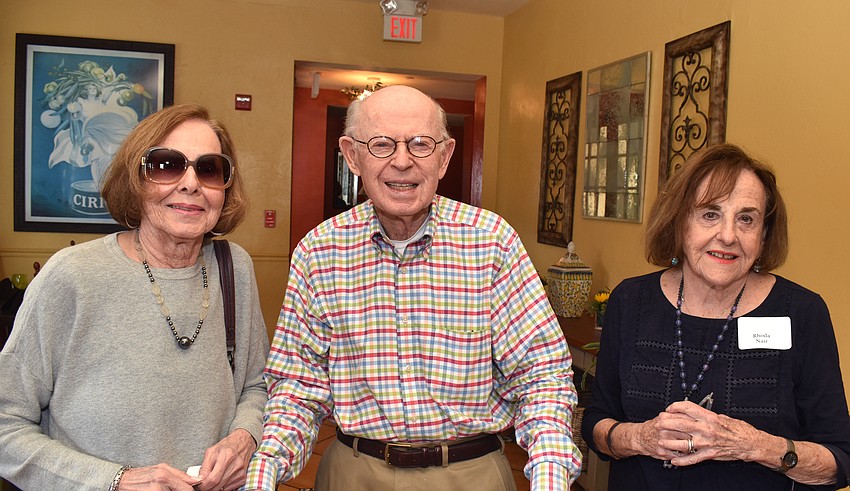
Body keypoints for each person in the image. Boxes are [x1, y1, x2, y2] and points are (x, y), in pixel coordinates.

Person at [244, 85, 581, 491]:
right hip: (354, 473)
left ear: (444, 157)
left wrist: (549, 476)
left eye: (421, 144)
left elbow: (541, 376)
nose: (402, 162)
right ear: (352, 156)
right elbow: (298, 387)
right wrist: (264, 472)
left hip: (471, 473)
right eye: (381, 144)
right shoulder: (319, 252)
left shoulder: (493, 242)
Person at [0, 104, 270, 491]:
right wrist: (114, 482)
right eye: (167, 165)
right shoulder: (72, 276)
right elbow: (6, 427)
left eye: (209, 169)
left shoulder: (235, 268)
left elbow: (256, 386)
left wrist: (244, 439)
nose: (191, 183)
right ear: (135, 179)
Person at [582, 143, 850, 490]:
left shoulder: (802, 313)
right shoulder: (630, 301)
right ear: (678, 222)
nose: (727, 236)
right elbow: (596, 422)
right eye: (710, 214)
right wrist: (640, 438)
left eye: (746, 219)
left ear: (763, 236)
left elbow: (839, 461)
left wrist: (755, 446)